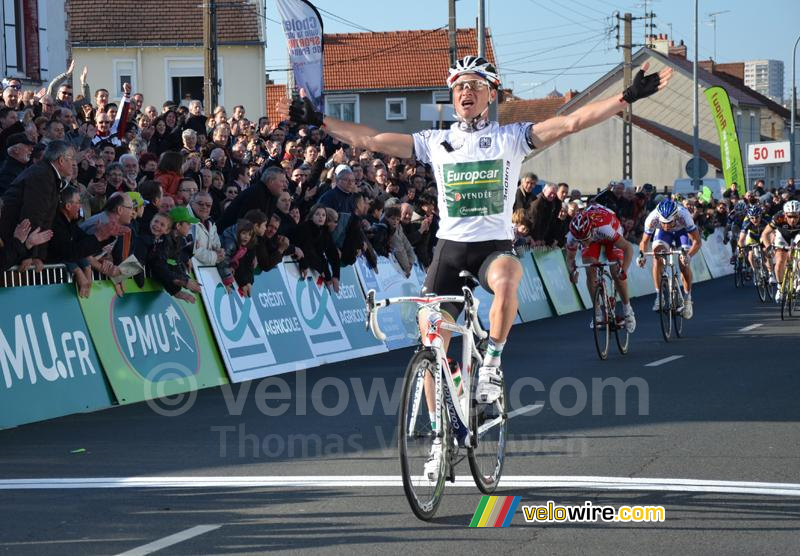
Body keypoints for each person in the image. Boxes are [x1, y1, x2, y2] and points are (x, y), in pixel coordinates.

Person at [280, 54, 671, 415]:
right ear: (452, 96)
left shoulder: (512, 137)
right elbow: (371, 139)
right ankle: (439, 434)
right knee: (432, 344)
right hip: (449, 250)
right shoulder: (435, 142)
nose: (465, 91)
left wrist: (626, 97)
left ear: (490, 94)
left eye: (475, 85)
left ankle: (493, 365)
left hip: (492, 248)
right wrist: (321, 121)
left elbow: (571, 123)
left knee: (508, 278)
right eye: (459, 87)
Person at [0, 140, 72, 272]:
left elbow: (45, 220)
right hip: (11, 245)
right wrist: (28, 255)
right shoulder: (43, 175)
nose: (73, 163)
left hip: (17, 245)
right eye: (71, 158)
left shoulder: (47, 173)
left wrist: (38, 256)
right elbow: (32, 216)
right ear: (61, 160)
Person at [565, 204, 636, 332]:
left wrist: (623, 270)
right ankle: (597, 313)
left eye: (585, 239)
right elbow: (570, 258)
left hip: (610, 231)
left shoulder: (604, 228)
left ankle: (628, 310)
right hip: (594, 237)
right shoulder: (573, 235)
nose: (584, 243)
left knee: (616, 271)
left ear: (591, 230)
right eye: (580, 240)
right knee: (590, 271)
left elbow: (628, 248)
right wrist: (572, 272)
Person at [637, 198, 701, 318]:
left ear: (676, 217)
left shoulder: (684, 216)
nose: (666, 225)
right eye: (663, 222)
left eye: (669, 222)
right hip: (662, 234)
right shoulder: (652, 218)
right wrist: (642, 255)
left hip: (681, 232)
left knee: (684, 263)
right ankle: (659, 296)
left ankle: (687, 300)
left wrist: (689, 255)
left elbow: (697, 242)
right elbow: (644, 242)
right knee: (657, 255)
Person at [761, 200, 800, 303]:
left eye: (796, 216)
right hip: (782, 236)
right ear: (785, 214)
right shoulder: (778, 217)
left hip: (798, 235)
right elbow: (765, 234)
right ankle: (780, 287)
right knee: (779, 262)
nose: (793, 220)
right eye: (790, 216)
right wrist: (769, 247)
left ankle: (798, 280)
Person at [737, 204, 772, 283]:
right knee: (750, 255)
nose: (754, 220)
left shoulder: (766, 218)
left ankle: (770, 273)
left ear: (761, 215)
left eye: (757, 217)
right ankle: (755, 272)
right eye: (752, 218)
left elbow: (773, 232)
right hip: (752, 236)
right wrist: (740, 249)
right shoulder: (746, 221)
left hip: (764, 235)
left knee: (766, 252)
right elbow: (741, 239)